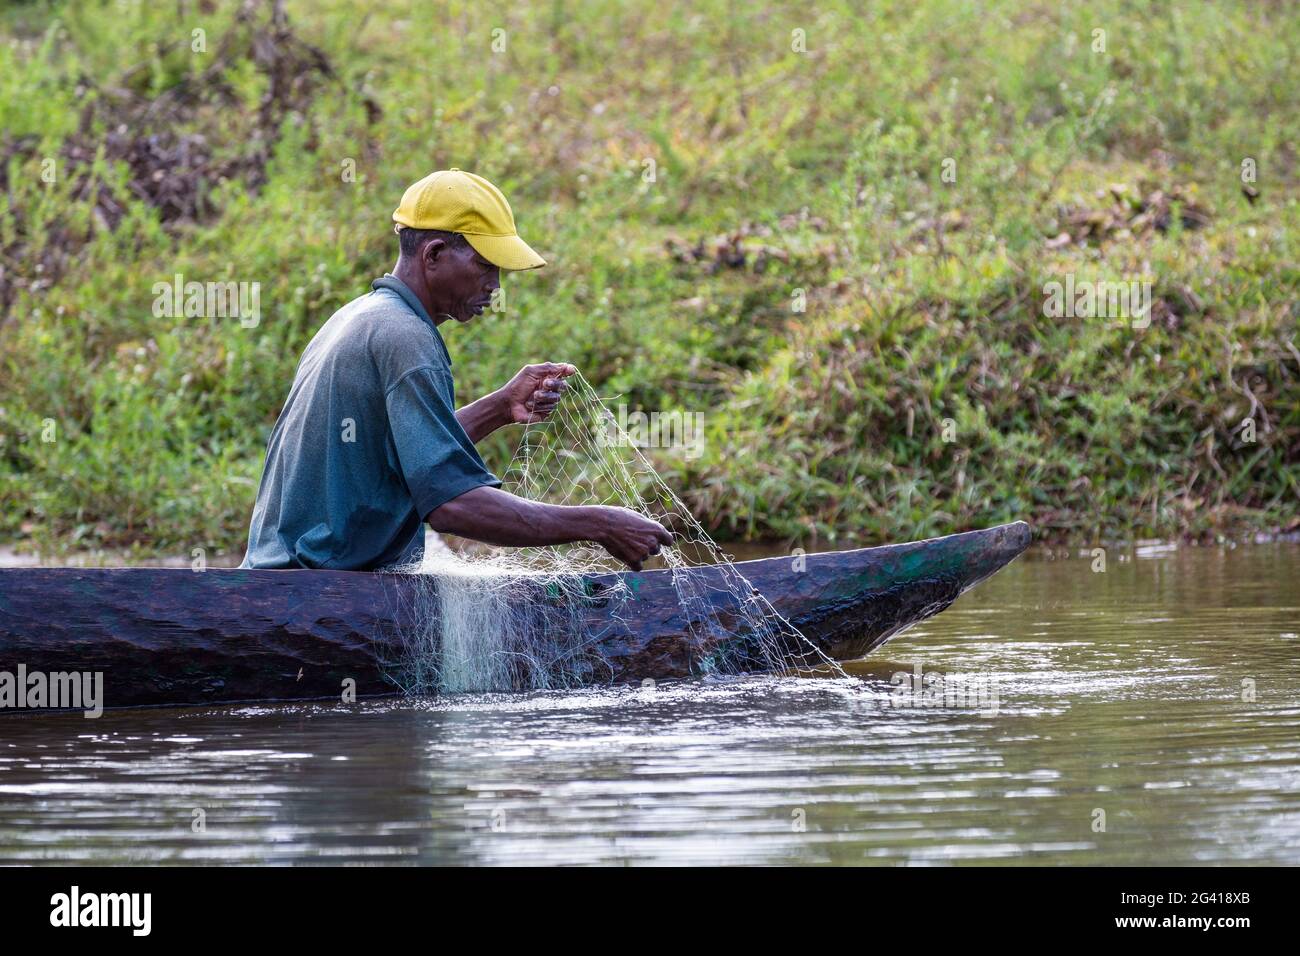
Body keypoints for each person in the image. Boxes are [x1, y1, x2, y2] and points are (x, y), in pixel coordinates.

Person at [241, 169, 671, 571]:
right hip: (316, 590)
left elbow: (403, 461)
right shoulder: (406, 338)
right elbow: (451, 505)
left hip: (280, 578)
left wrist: (502, 406)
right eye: (485, 266)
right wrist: (599, 524)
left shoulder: (360, 317)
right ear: (434, 254)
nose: (495, 286)